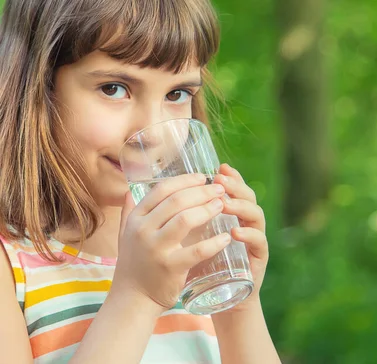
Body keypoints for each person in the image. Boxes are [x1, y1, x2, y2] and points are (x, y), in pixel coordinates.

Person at [0, 0, 281, 363]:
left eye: (177, 94)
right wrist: (136, 297)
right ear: (38, 88)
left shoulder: (189, 251)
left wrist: (238, 304)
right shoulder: (11, 266)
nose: (151, 132)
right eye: (114, 88)